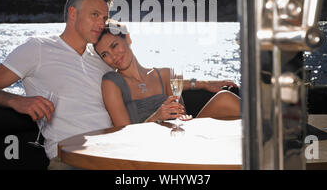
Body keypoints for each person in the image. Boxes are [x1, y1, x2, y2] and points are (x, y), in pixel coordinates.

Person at [0, 0, 115, 168]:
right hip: (71, 160)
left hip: (114, 155)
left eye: (105, 18)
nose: (102, 24)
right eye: (95, 15)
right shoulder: (39, 48)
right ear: (73, 13)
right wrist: (15, 101)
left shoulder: (102, 58)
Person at [94, 20, 241, 127]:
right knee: (225, 101)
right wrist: (156, 117)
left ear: (127, 38)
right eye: (105, 54)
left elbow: (181, 117)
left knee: (224, 98)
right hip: (147, 150)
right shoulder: (111, 83)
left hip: (180, 135)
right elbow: (123, 135)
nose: (113, 56)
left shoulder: (163, 75)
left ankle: (261, 140)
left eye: (114, 46)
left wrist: (205, 83)